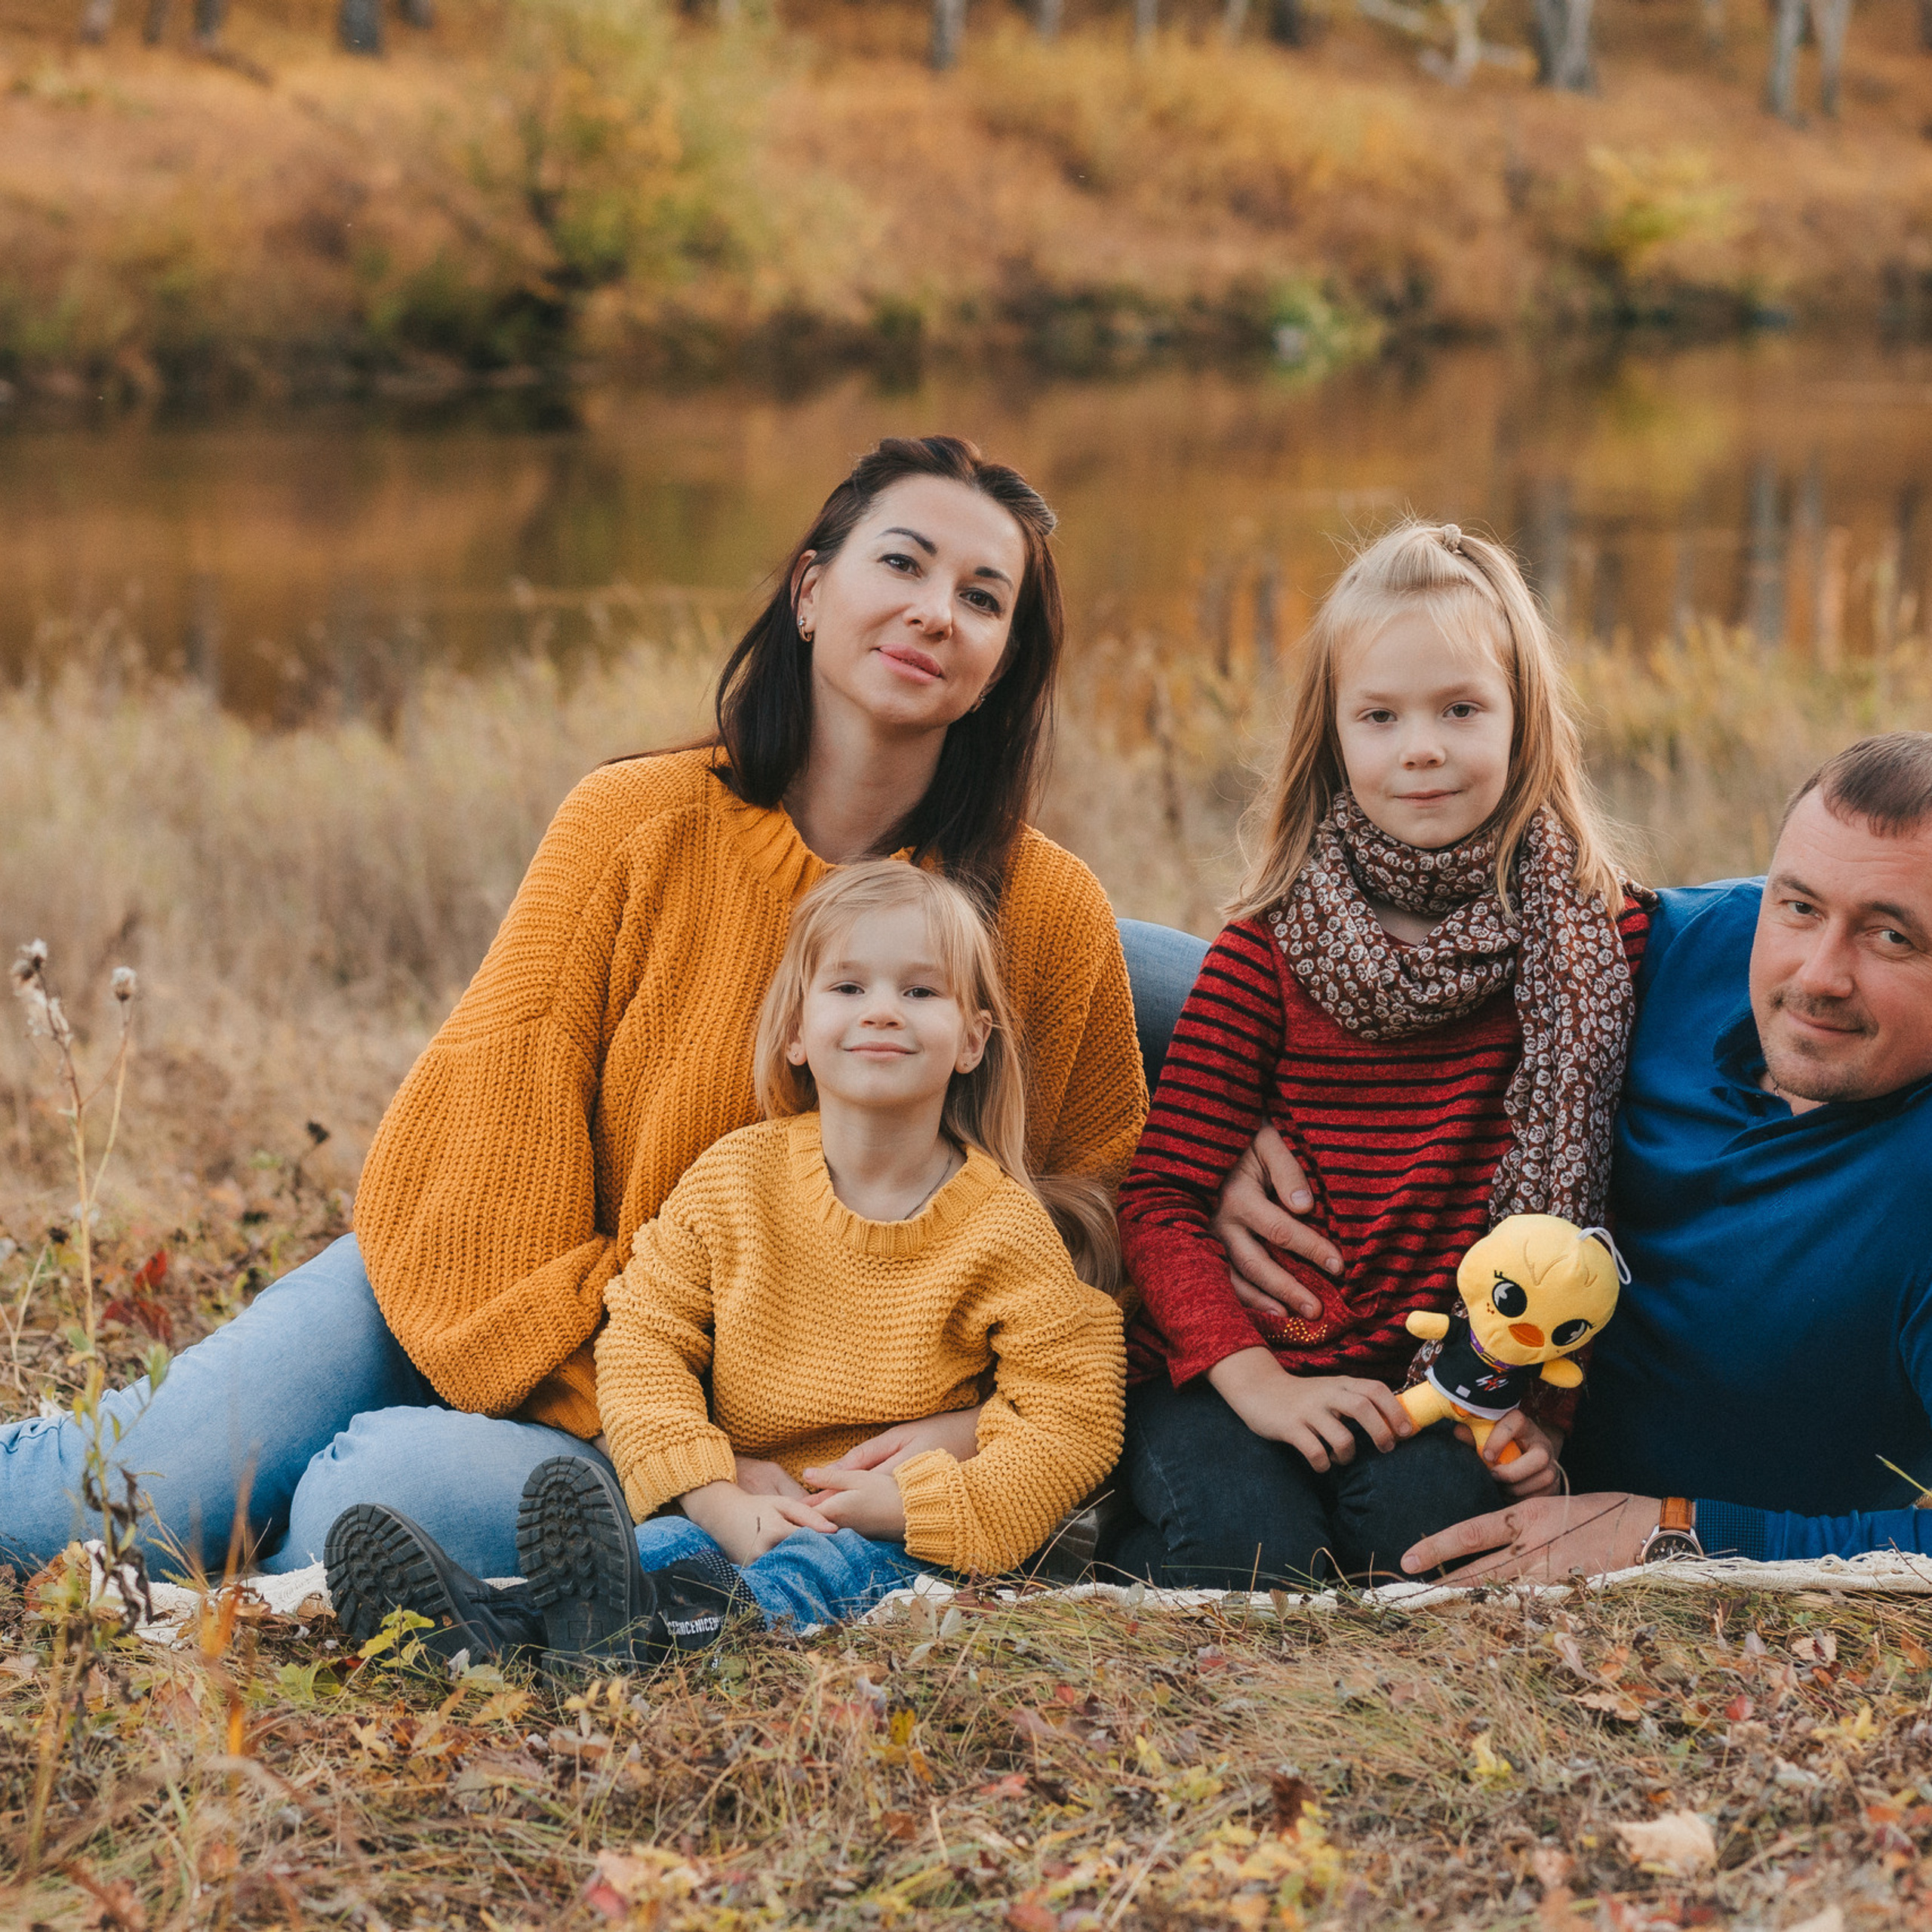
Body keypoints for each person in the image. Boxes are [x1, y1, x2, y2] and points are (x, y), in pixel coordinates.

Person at [0, 437, 1152, 1641]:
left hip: (745, 1439)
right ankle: (210, 1547)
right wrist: (681, 1445)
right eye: (903, 564)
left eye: (983, 598)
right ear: (811, 592)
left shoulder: (1043, 912)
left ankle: (261, 1588)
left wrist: (951, 1435)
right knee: (143, 1476)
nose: (935, 613)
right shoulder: (633, 827)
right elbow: (477, 1167)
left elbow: (1089, 1218)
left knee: (369, 1488)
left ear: (1007, 657)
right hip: (486, 1304)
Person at [328, 863, 1127, 1663]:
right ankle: (498, 1631)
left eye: (921, 992)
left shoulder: (1003, 1227)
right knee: (657, 1554)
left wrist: (913, 1504)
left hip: (897, 1533)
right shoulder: (734, 1180)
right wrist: (712, 1496)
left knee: (823, 1565)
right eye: (848, 987)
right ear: (795, 1032)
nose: (883, 1009)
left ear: (973, 1040)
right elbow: (643, 1340)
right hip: (739, 1499)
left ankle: (638, 1639)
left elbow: (1073, 1414)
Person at [1109, 520, 1650, 1589]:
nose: (1422, 748)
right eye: (1381, 715)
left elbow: (1582, 1220)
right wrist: (1254, 1380)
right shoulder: (1270, 945)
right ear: (1334, 736)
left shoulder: (1593, 942)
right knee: (1244, 1551)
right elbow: (1164, 1196)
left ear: (1522, 721)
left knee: (1425, 1549)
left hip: (1448, 1385)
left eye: (1461, 710)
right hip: (1243, 1366)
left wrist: (1537, 1415)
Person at [1397, 732, 1932, 1583]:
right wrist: (1248, 1132)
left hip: (1515, 1491)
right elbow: (1401, 980)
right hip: (1403, 1351)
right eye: (1797, 906)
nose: (1818, 974)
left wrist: (1675, 1532)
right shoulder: (1693, 941)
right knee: (1144, 967)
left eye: (1891, 937)